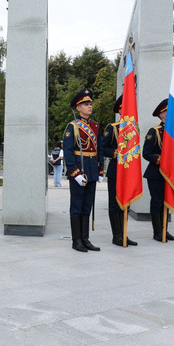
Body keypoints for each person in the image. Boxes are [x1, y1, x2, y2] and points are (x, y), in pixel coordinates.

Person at [63, 88, 104, 252]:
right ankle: (76, 240)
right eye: (86, 104)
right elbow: (68, 152)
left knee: (87, 206)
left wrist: (100, 170)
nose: (90, 106)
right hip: (79, 171)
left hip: (92, 170)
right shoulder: (72, 126)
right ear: (78, 108)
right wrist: (75, 173)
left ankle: (85, 239)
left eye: (90, 104)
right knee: (77, 206)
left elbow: (100, 149)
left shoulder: (95, 126)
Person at [102, 95, 138, 247]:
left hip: (129, 171)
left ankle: (123, 234)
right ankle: (116, 235)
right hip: (116, 171)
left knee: (126, 204)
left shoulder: (134, 128)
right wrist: (115, 153)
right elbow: (103, 147)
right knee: (115, 204)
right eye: (124, 108)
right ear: (120, 110)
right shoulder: (112, 128)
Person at [143, 99, 174, 242]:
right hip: (155, 173)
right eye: (168, 112)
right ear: (162, 114)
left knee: (166, 202)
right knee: (157, 202)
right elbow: (146, 153)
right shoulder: (154, 132)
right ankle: (157, 232)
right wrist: (161, 160)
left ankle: (165, 229)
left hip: (170, 173)